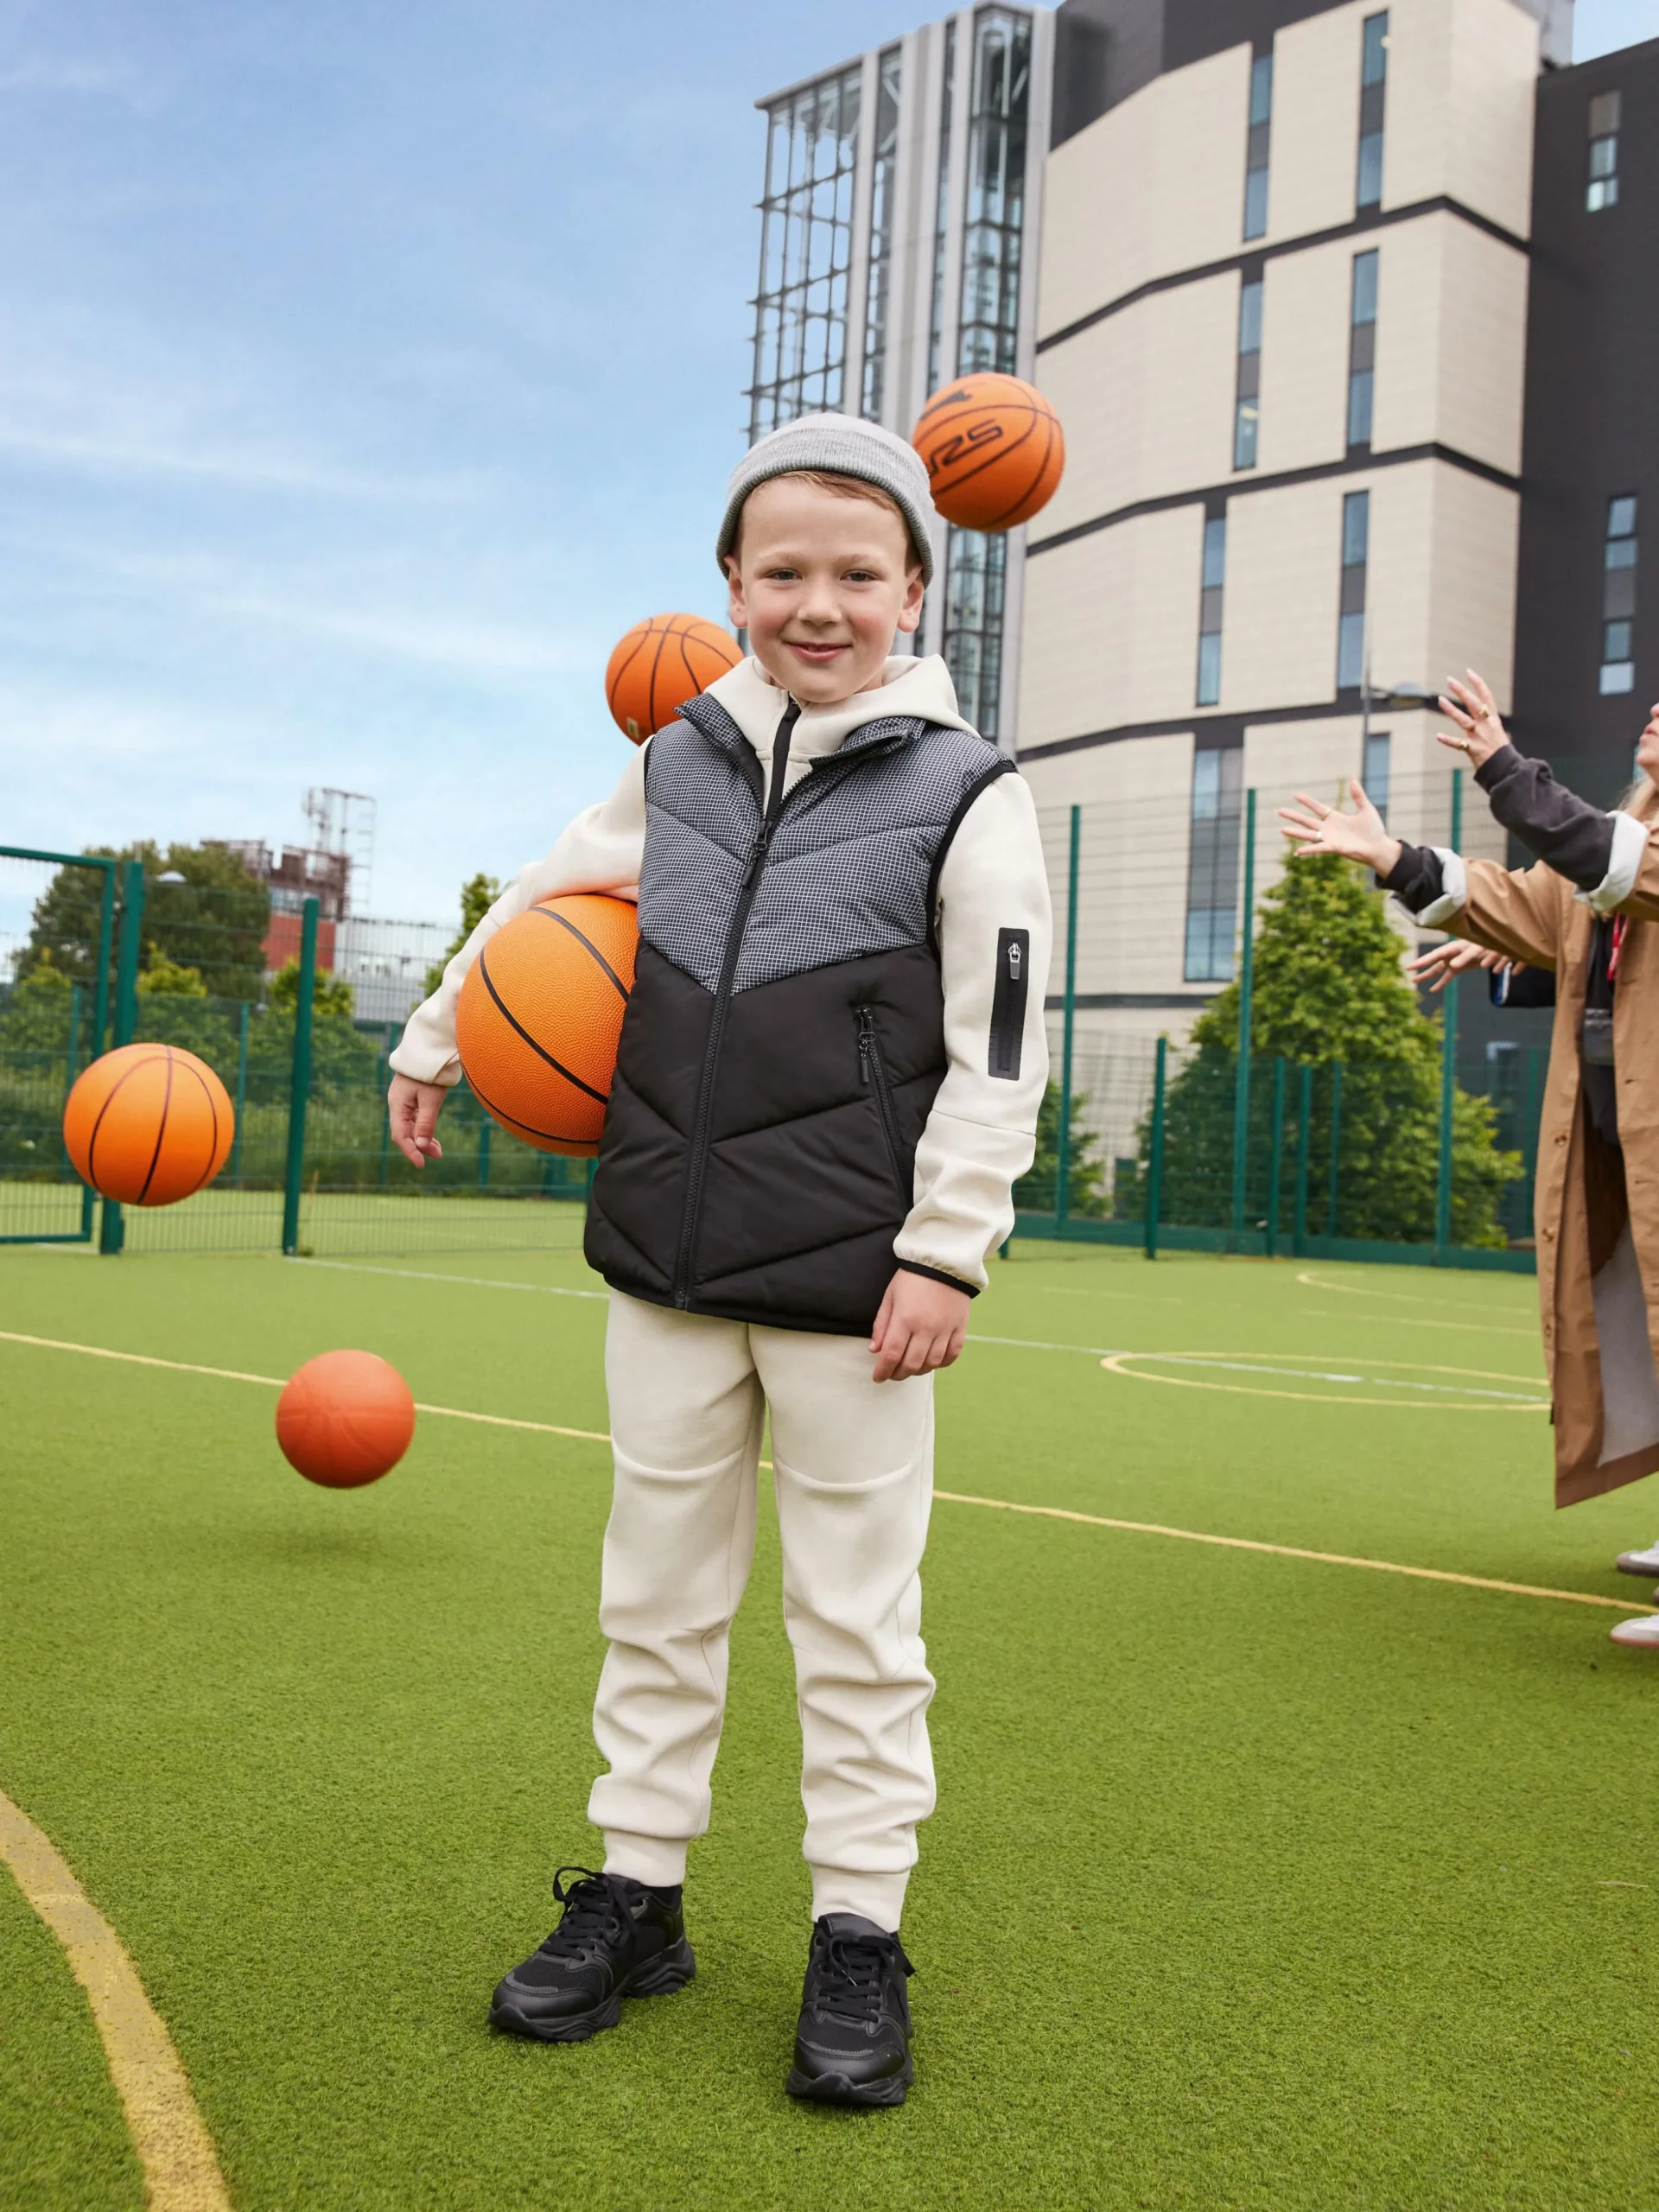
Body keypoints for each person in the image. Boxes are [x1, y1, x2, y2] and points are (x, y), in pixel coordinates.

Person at [385, 414, 1052, 2105]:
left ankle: (858, 1927)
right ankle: (637, 1894)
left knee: (858, 1621)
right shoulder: (675, 760)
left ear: (916, 588)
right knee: (657, 1597)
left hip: (855, 1286)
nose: (820, 605)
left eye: (858, 574)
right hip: (664, 1259)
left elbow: (1004, 1045)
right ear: (732, 584)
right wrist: (438, 1031)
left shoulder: (970, 790)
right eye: (785, 572)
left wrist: (947, 1252)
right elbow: (546, 892)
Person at [1279, 674, 1659, 1653]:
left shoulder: (1625, 849)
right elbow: (1529, 899)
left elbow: (1601, 863)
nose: (1654, 715)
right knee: (1643, 1330)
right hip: (1622, 1137)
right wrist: (1394, 858)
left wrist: (1502, 765)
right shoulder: (1629, 833)